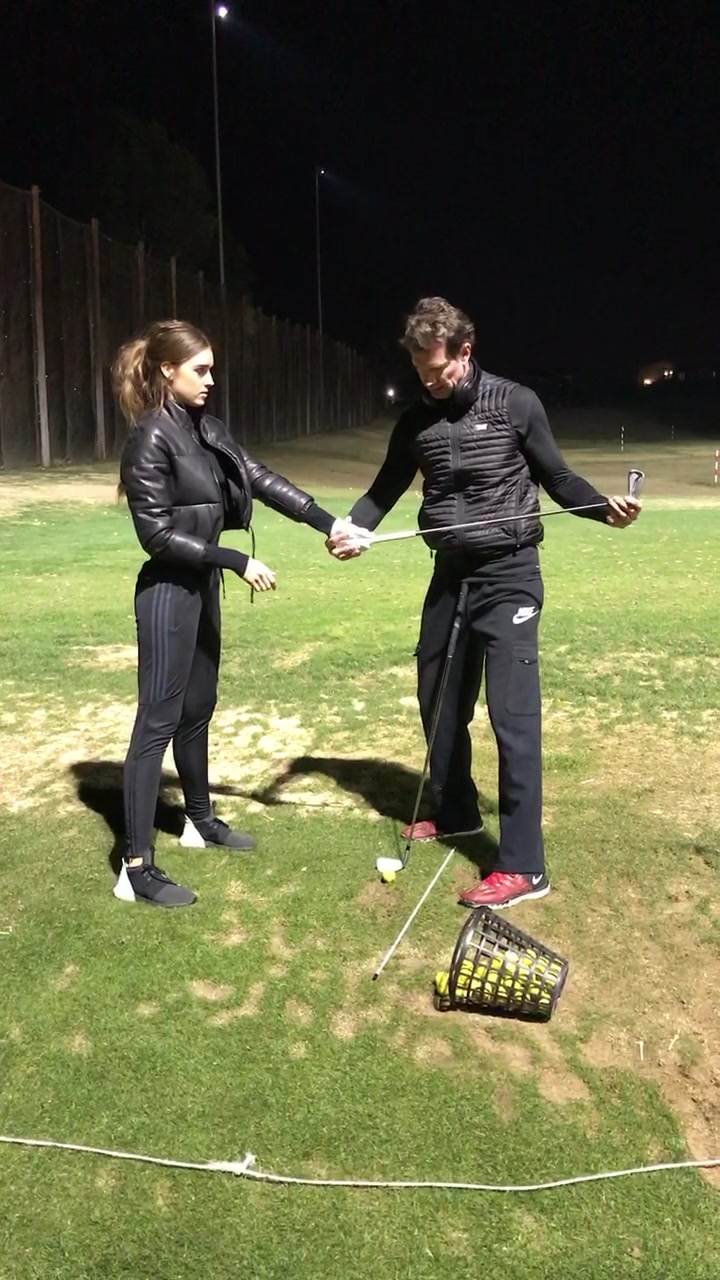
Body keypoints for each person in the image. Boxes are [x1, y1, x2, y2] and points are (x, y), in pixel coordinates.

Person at [327, 297, 641, 909]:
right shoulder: (416, 421)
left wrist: (605, 510)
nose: (429, 382)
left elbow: (559, 479)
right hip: (450, 576)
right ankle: (457, 811)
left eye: (438, 370)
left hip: (509, 575)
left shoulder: (515, 403)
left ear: (464, 352)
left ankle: (524, 865)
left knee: (512, 717)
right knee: (437, 697)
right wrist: (350, 529)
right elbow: (383, 490)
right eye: (420, 371)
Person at [113, 319, 366, 908]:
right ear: (167, 371)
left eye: (212, 369)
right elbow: (156, 536)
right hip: (167, 591)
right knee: (157, 723)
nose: (210, 380)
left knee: (198, 708)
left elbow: (259, 478)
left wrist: (329, 523)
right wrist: (235, 559)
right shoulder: (149, 437)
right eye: (199, 369)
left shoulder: (206, 427)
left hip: (201, 586)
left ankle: (199, 821)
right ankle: (135, 866)